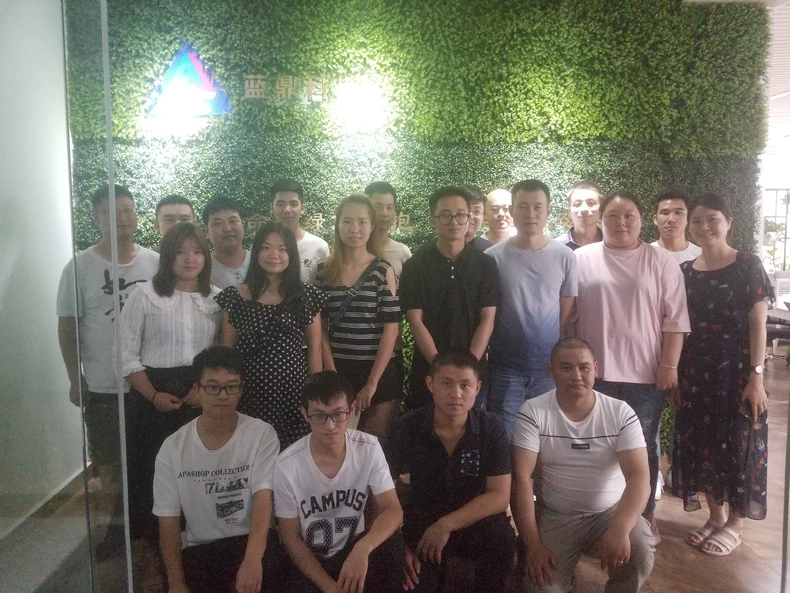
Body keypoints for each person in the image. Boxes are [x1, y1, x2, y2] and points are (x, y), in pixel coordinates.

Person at [573, 191, 690, 540]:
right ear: (601, 220)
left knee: (642, 448)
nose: (621, 222)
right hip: (594, 375)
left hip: (645, 376)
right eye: (612, 215)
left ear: (641, 220)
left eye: (629, 216)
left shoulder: (661, 261)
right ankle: (598, 513)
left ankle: (644, 513)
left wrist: (669, 365)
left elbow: (675, 320)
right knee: (594, 446)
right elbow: (568, 316)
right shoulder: (581, 258)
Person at [56, 183, 159, 559]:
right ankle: (115, 531)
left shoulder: (155, 262)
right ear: (95, 217)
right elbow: (68, 325)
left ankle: (149, 529)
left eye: (128, 210)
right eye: (112, 212)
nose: (122, 218)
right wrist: (75, 377)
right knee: (110, 464)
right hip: (102, 383)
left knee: (149, 458)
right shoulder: (79, 266)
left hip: (148, 382)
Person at [672, 193, 773, 556]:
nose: (704, 227)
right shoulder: (685, 272)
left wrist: (757, 377)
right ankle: (715, 516)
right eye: (697, 221)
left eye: (712, 219)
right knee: (703, 442)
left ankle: (736, 523)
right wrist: (677, 374)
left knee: (739, 443)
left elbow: (758, 325)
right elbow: (679, 327)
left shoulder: (748, 265)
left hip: (738, 373)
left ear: (729, 222)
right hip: (697, 372)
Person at [511, 338, 654, 593]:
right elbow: (521, 479)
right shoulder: (533, 412)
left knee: (640, 550)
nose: (576, 376)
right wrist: (532, 545)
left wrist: (621, 527)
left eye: (584, 367)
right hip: (556, 516)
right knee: (541, 587)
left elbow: (639, 477)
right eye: (566, 367)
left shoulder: (620, 412)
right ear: (551, 370)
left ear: (596, 369)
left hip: (610, 514)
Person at [119, 222, 222, 540]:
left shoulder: (217, 299)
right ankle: (155, 545)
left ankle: (199, 541)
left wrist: (205, 391)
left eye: (197, 251)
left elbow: (221, 353)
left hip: (199, 396)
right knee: (153, 471)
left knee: (199, 470)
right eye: (180, 251)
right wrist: (153, 395)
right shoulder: (143, 296)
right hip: (152, 396)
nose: (190, 258)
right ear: (167, 256)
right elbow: (125, 355)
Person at [153, 346, 283, 593]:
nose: (223, 396)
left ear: (241, 389)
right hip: (201, 550)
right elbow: (168, 520)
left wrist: (252, 560)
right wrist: (176, 583)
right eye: (213, 387)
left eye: (231, 387)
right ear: (197, 389)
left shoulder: (261, 434)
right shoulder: (173, 447)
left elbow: (263, 497)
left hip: (252, 543)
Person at [385, 350, 515, 593]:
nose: (456, 394)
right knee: (412, 582)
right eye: (446, 383)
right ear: (430, 384)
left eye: (465, 385)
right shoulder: (407, 426)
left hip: (474, 519)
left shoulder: (491, 428)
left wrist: (446, 525)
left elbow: (499, 496)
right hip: (423, 522)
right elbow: (382, 490)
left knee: (502, 539)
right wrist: (397, 544)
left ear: (477, 388)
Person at [274, 371, 405, 593]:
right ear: (305, 414)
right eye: (319, 416)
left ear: (351, 410)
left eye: (338, 414)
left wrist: (363, 549)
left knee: (391, 544)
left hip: (353, 550)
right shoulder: (287, 464)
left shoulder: (369, 447)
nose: (330, 425)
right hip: (312, 559)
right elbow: (290, 537)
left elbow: (393, 510)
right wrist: (331, 588)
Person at [215, 221, 328, 448]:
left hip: (294, 392)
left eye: (282, 249)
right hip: (249, 392)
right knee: (251, 453)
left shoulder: (306, 295)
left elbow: (315, 347)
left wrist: (316, 394)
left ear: (291, 255)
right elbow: (227, 352)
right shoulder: (235, 296)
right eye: (266, 247)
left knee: (292, 455)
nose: (274, 254)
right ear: (256, 252)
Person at [484, 180, 577, 436]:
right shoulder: (492, 257)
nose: (531, 214)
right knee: (504, 435)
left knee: (547, 435)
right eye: (523, 207)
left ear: (548, 211)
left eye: (538, 207)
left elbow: (566, 310)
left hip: (549, 366)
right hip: (506, 365)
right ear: (513, 211)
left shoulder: (565, 256)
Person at [400, 186, 498, 409]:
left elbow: (487, 319)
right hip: (429, 370)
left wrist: (468, 369)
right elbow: (415, 321)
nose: (454, 221)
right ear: (433, 220)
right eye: (445, 215)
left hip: (473, 373)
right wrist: (439, 369)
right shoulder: (416, 266)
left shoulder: (486, 264)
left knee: (472, 427)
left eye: (460, 214)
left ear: (469, 218)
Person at [316, 194, 402, 441]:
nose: (355, 229)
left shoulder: (383, 270)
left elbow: (391, 330)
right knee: (338, 443)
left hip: (378, 372)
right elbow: (321, 327)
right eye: (347, 221)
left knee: (374, 443)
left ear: (371, 226)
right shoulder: (324, 271)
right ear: (338, 225)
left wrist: (372, 382)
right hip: (338, 368)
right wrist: (332, 373)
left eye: (362, 222)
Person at [270, 179, 331, 283]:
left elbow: (325, 286)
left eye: (293, 204)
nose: (287, 210)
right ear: (272, 208)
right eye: (280, 204)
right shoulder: (262, 246)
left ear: (302, 208)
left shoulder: (319, 247)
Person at [365, 181, 413, 280]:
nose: (384, 213)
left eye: (389, 207)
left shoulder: (402, 252)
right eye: (377, 207)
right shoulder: (354, 249)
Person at [203, 195, 250, 289]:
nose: (227, 229)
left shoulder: (260, 261)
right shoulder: (201, 270)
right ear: (206, 231)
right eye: (218, 223)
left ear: (243, 224)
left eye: (233, 221)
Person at [651, 188, 702, 265]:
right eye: (665, 213)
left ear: (688, 219)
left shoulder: (701, 257)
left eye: (678, 213)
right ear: (655, 219)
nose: (671, 219)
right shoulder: (644, 255)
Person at [554, 181, 603, 251]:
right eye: (577, 204)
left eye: (591, 203)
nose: (584, 209)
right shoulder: (556, 247)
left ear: (601, 209)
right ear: (569, 210)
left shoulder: (612, 244)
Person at [463, 185, 493, 251]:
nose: (470, 216)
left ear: (483, 215)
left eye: (476, 211)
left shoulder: (490, 252)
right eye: (464, 210)